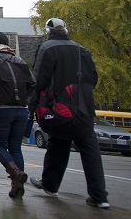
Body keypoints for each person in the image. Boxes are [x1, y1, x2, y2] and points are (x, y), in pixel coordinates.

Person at [28, 18, 110, 209]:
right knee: (89, 149)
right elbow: (93, 78)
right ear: (65, 30)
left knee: (58, 140)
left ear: (48, 32)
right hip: (83, 108)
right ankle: (100, 197)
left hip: (59, 107)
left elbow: (39, 79)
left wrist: (32, 105)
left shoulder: (47, 48)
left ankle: (50, 185)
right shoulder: (83, 50)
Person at [0, 31, 35, 199]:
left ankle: (15, 173)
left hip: (0, 108)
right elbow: (32, 83)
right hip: (21, 110)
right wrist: (25, 100)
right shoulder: (18, 60)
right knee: (16, 148)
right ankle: (17, 186)